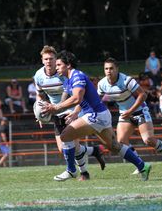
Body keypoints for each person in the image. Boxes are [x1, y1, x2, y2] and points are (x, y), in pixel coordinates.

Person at [43, 51, 151, 182]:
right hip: (101, 115)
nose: (56, 67)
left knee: (65, 136)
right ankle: (143, 166)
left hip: (95, 115)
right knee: (114, 146)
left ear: (69, 65)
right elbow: (69, 99)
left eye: (59, 64)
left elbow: (77, 98)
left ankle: (71, 170)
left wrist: (56, 108)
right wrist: (51, 111)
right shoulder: (67, 80)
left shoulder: (77, 76)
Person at [97, 57, 162, 174]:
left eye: (111, 68)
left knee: (148, 140)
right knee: (121, 142)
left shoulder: (126, 80)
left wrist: (131, 110)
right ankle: (140, 164)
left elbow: (143, 95)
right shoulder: (102, 84)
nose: (108, 71)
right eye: (106, 68)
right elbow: (98, 100)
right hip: (125, 113)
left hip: (139, 110)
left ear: (117, 69)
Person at [33, 45, 105, 181]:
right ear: (42, 60)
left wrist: (76, 112)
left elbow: (78, 95)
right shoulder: (38, 76)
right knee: (65, 148)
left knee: (70, 144)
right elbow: (40, 96)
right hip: (55, 112)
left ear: (56, 60)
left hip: (71, 110)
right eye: (46, 59)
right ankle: (94, 151)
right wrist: (40, 114)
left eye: (51, 59)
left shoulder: (64, 74)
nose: (49, 61)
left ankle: (83, 173)